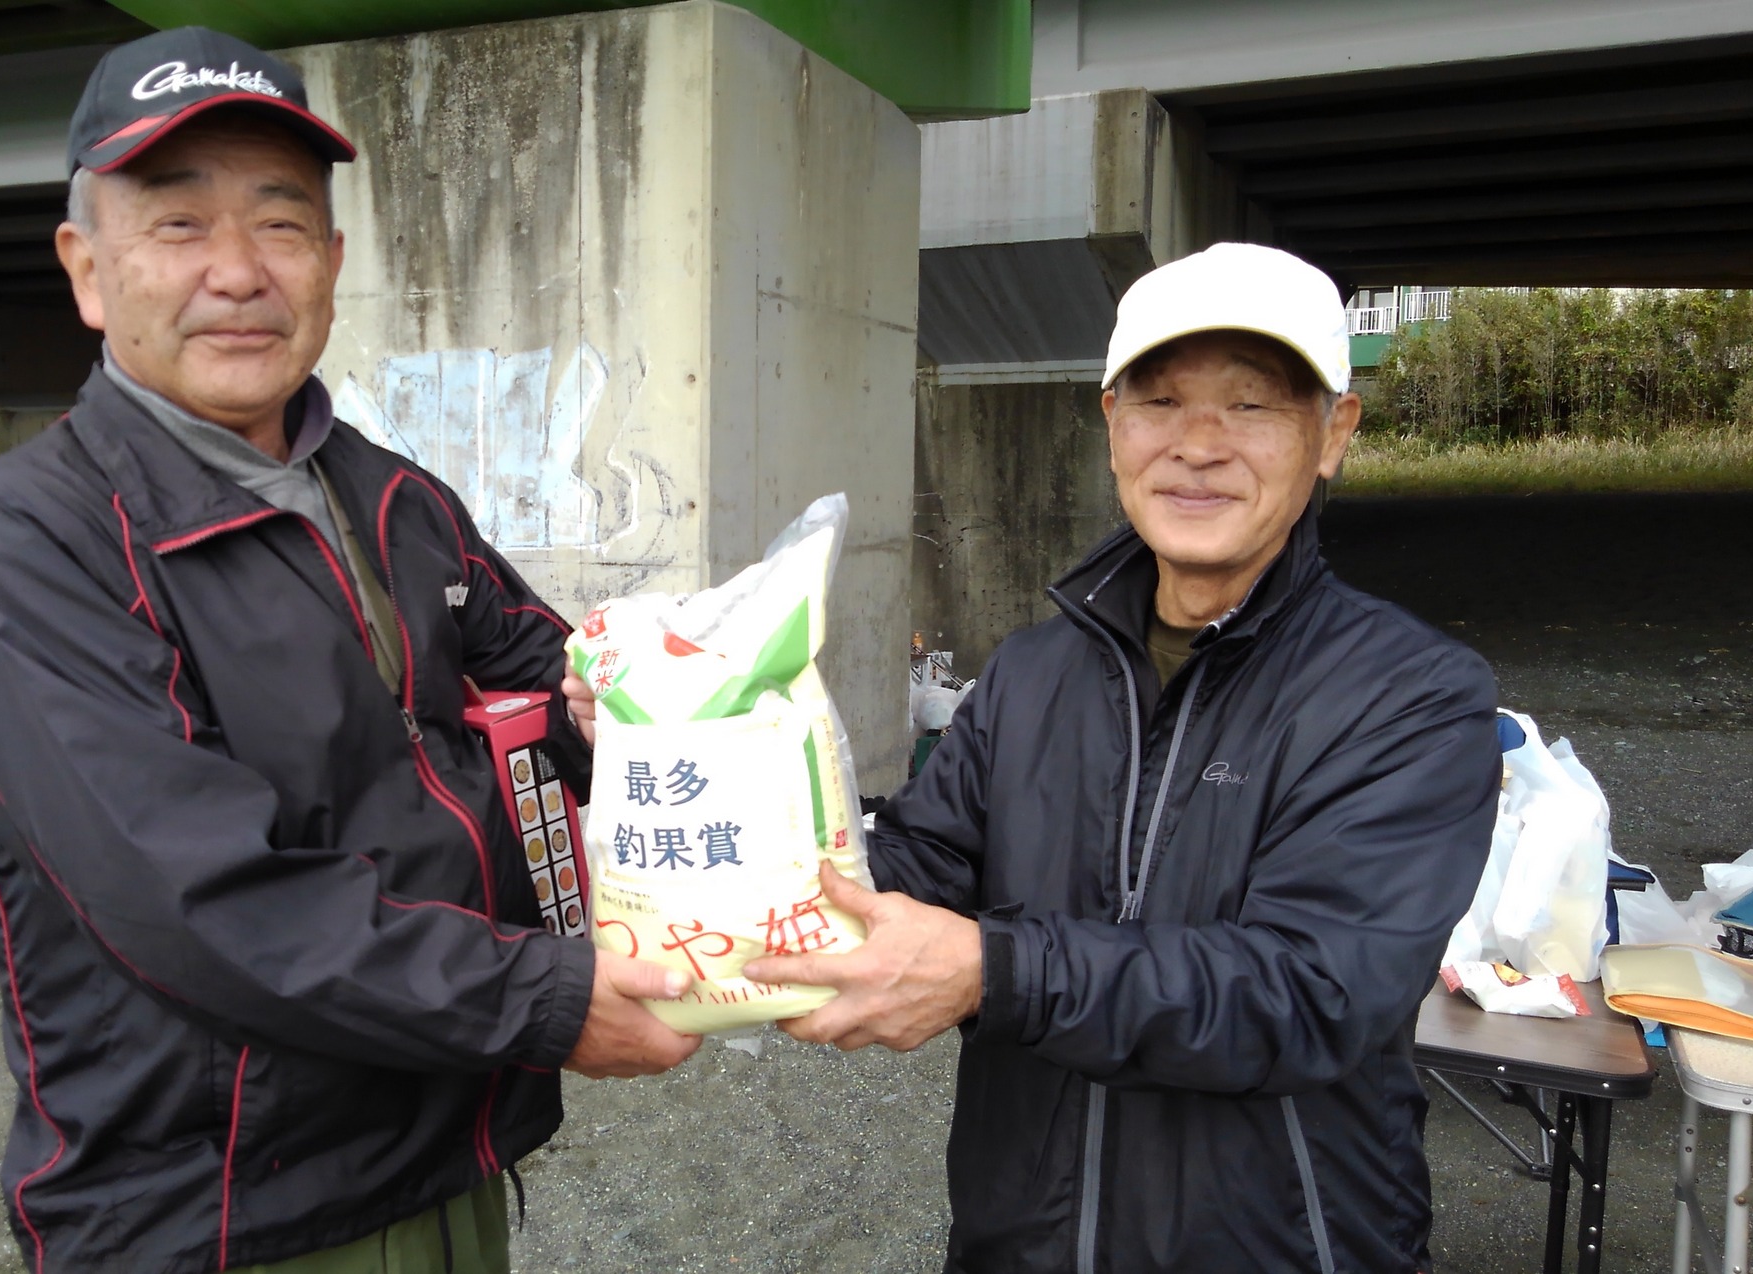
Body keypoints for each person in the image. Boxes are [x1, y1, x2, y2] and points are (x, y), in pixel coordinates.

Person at [0, 28, 698, 1273]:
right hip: (226, 1216)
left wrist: (634, 709)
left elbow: (545, 678)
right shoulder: (32, 541)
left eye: (281, 224)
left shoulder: (395, 498)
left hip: (450, 1152)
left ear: (333, 265)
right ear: (87, 270)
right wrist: (550, 999)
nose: (239, 272)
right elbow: (203, 902)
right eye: (179, 224)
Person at [573, 243, 1502, 1271]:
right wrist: (686, 751)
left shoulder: (1411, 695)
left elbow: (1309, 991)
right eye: (1159, 401)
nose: (1198, 445)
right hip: (1021, 1239)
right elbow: (909, 869)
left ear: (1332, 433)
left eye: (1251, 405)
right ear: (1111, 422)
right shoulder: (1033, 672)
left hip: (1286, 1245)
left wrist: (994, 970)